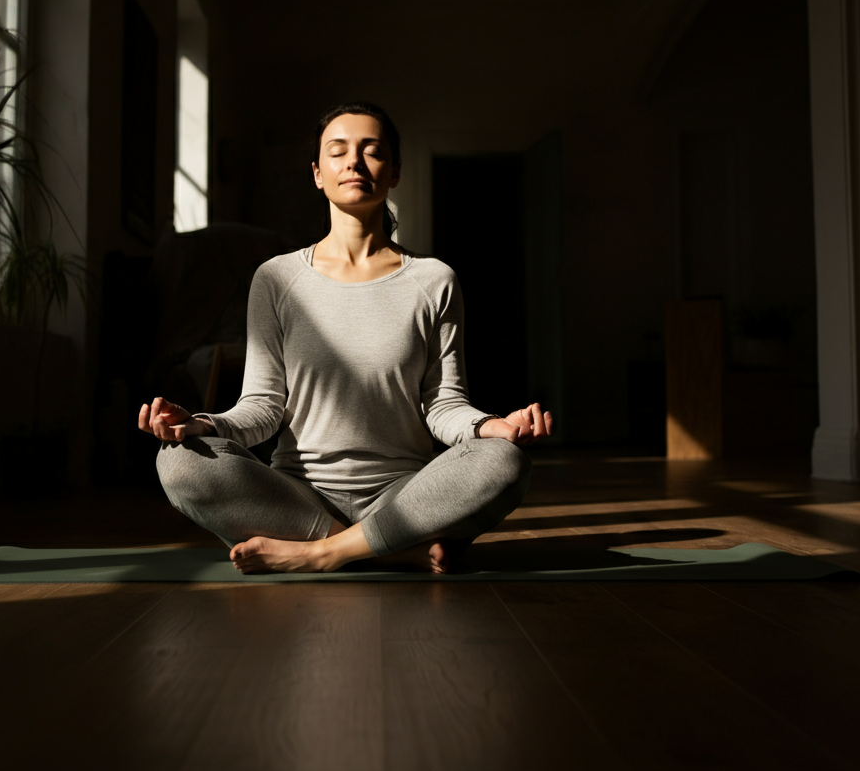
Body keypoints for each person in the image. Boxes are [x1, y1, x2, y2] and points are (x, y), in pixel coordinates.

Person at [139, 102, 552, 574]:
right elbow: (261, 406)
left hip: (403, 495)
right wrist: (202, 425)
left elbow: (444, 405)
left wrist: (490, 427)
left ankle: (324, 553)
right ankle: (387, 549)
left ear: (394, 171)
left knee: (505, 463)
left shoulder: (435, 281)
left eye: (371, 151)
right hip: (298, 498)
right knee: (178, 463)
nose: (353, 162)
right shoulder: (275, 279)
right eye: (338, 152)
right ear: (318, 173)